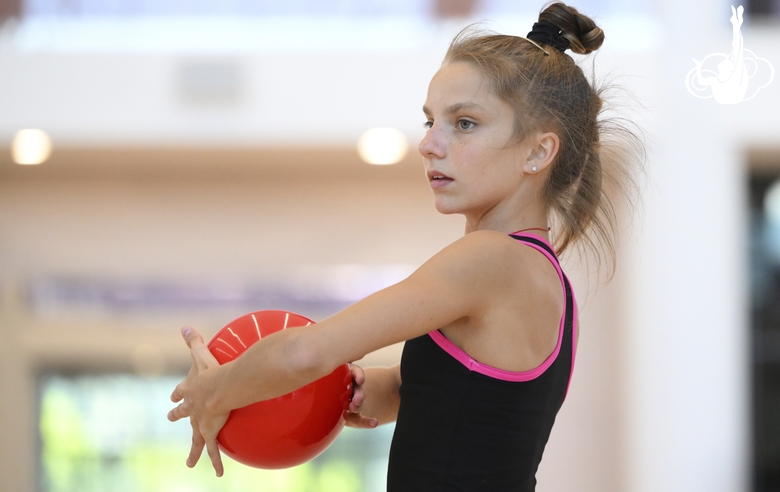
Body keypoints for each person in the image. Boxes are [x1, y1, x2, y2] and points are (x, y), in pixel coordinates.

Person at [168, 2, 642, 490]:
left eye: (464, 124)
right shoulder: (545, 280)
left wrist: (213, 391)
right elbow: (437, 399)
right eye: (430, 122)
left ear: (539, 151)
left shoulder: (491, 260)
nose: (430, 145)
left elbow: (304, 355)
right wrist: (357, 390)